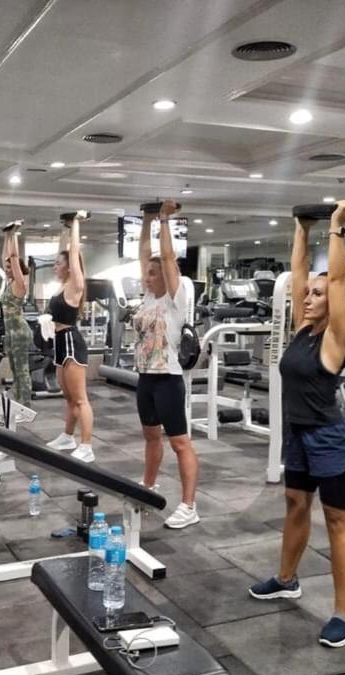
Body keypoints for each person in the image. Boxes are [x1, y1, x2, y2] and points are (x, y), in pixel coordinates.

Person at [248, 199, 345, 649]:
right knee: (296, 504)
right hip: (297, 434)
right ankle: (286, 579)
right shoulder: (301, 328)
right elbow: (299, 274)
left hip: (328, 438)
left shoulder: (335, 337)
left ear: (335, 303)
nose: (308, 297)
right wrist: (301, 228)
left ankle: (344, 614)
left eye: (317, 294)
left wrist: (336, 228)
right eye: (307, 294)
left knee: (337, 520)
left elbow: (334, 279)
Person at [134, 199, 200, 529]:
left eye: (153, 272)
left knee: (179, 442)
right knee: (150, 437)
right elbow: (144, 253)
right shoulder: (148, 297)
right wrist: (146, 220)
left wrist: (163, 220)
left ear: (166, 276)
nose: (147, 276)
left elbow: (167, 256)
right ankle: (148, 488)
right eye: (147, 272)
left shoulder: (176, 298)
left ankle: (189, 505)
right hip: (146, 378)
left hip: (168, 378)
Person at [45, 211, 95, 463]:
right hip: (59, 343)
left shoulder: (76, 285)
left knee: (80, 399)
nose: (54, 266)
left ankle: (87, 446)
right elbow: (65, 251)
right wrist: (64, 230)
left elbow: (73, 253)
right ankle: (68, 436)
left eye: (58, 263)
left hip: (72, 343)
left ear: (69, 267)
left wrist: (75, 224)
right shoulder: (62, 286)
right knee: (68, 398)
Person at [1, 221, 33, 407]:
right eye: (6, 268)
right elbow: (6, 257)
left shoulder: (20, 284)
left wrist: (13, 233)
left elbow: (13, 256)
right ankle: (18, 401)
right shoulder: (9, 283)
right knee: (14, 368)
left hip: (19, 331)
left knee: (22, 369)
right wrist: (6, 235)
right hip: (10, 331)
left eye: (9, 267)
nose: (7, 270)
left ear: (16, 268)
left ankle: (25, 404)